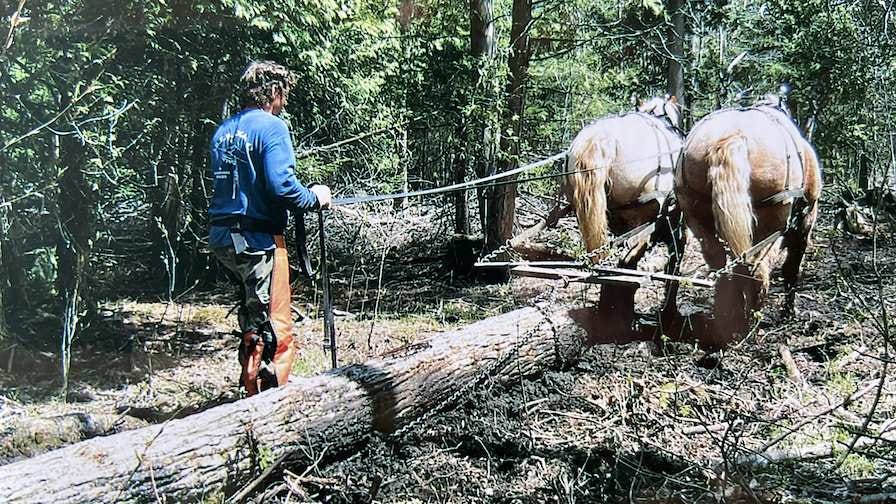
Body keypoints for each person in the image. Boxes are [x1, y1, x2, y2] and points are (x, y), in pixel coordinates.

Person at [208, 61, 331, 396]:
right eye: (283, 96)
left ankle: (251, 386)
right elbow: (281, 186)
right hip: (257, 239)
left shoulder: (223, 130)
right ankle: (270, 397)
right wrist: (313, 198)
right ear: (274, 92)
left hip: (223, 238)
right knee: (273, 322)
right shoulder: (271, 127)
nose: (284, 104)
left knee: (252, 315)